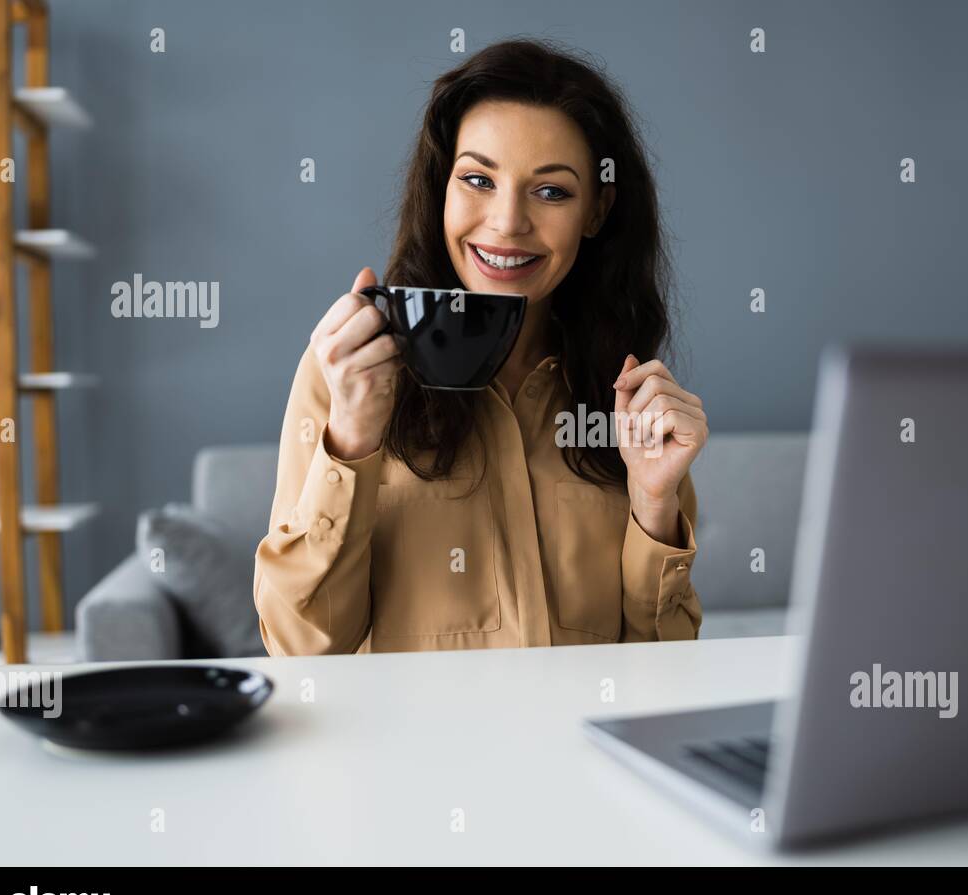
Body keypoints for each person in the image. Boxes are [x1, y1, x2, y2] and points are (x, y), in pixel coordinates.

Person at [254, 39, 707, 654]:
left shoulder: (624, 393)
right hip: (413, 751)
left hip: (575, 750)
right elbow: (301, 649)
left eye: (551, 192)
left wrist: (653, 504)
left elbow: (663, 667)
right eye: (477, 179)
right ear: (442, 188)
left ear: (596, 211)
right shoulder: (343, 375)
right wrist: (354, 438)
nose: (506, 222)